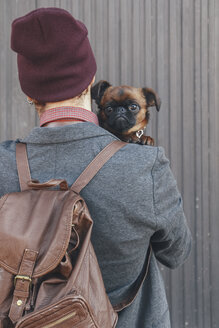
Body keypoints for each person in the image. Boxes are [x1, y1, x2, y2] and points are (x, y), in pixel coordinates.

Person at [0, 7, 192, 328]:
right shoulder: (145, 166)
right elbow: (177, 253)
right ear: (92, 80)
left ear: (30, 93)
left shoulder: (4, 165)